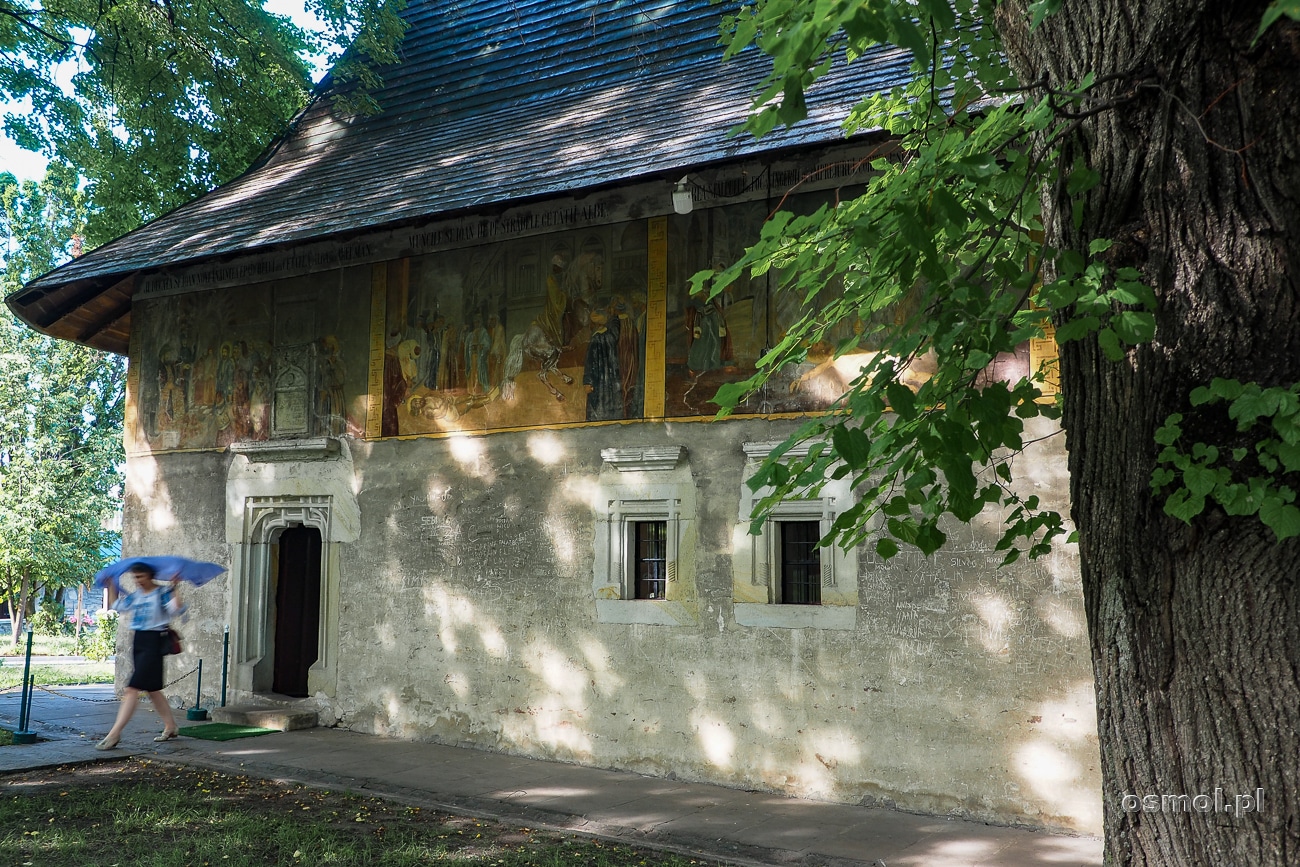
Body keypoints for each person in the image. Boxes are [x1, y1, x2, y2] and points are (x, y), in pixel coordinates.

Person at [95, 564, 184, 749]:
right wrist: (111, 584)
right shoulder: (136, 596)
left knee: (132, 688)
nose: (137, 581)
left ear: (150, 575)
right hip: (139, 642)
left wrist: (175, 587)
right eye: (135, 577)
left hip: (154, 642)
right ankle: (171, 726)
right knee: (152, 689)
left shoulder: (162, 593)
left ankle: (114, 733)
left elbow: (176, 609)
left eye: (141, 576)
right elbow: (116, 605)